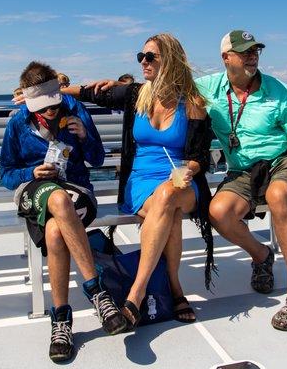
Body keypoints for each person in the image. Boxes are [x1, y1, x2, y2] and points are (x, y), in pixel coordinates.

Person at [62, 33, 214, 328]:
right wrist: (53, 89)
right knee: (167, 211)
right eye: (140, 57)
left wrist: (189, 170)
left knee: (168, 195)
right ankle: (175, 288)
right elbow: (92, 93)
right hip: (141, 182)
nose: (143, 62)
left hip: (181, 182)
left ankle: (136, 293)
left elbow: (201, 157)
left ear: (169, 60)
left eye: (150, 57)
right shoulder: (135, 95)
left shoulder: (192, 102)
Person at [0, 61, 127, 363]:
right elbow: (6, 173)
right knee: (57, 200)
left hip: (77, 190)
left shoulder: (75, 109)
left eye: (53, 105)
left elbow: (97, 160)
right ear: (30, 103)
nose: (50, 112)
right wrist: (31, 171)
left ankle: (61, 321)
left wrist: (85, 136)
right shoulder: (18, 122)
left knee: (56, 230)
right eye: (42, 108)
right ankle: (97, 292)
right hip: (34, 190)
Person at [195, 30, 287, 331]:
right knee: (218, 213)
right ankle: (262, 255)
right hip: (241, 170)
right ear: (226, 57)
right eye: (245, 51)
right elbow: (166, 87)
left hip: (281, 160)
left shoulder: (278, 90)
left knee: (278, 195)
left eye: (256, 50)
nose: (252, 56)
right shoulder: (207, 88)